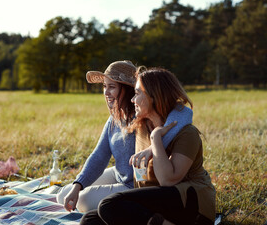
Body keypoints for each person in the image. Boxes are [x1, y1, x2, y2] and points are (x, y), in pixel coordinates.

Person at [80, 67, 216, 225]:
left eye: (137, 93)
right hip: (157, 202)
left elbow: (168, 180)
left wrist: (155, 139)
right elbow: (101, 152)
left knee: (109, 205)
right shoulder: (141, 124)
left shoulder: (187, 134)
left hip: (191, 205)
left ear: (154, 96)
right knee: (89, 220)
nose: (132, 99)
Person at [56, 61, 193, 213]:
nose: (106, 92)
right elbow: (99, 156)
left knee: (84, 201)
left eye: (112, 87)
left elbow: (184, 113)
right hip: (119, 173)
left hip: (136, 183)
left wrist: (151, 148)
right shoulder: (114, 118)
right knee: (63, 194)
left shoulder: (143, 114)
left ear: (128, 90)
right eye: (104, 86)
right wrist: (78, 185)